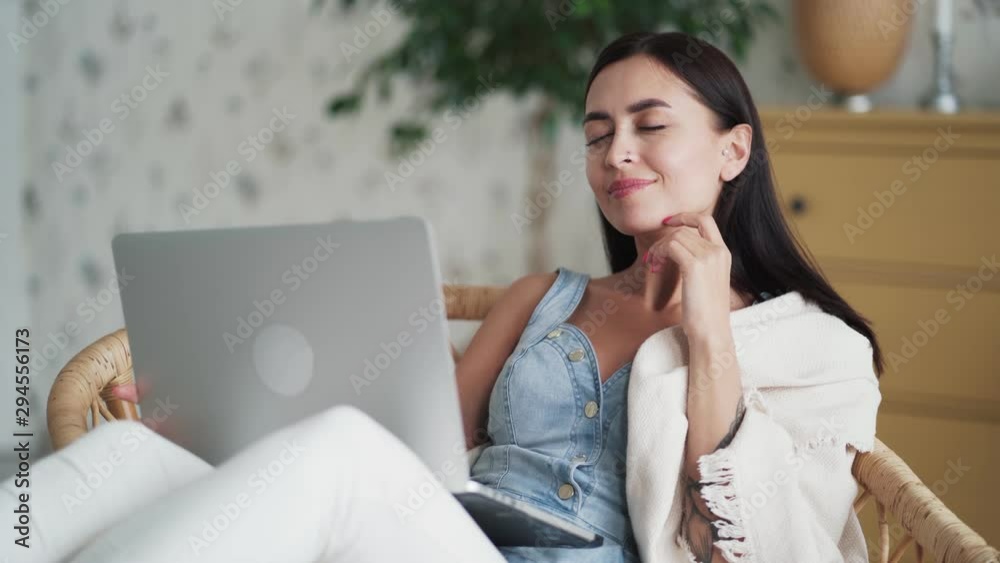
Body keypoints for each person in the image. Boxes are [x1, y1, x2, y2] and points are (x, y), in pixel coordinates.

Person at [6, 31, 883, 563]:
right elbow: (412, 451)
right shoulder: (542, 297)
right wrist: (210, 432)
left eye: (651, 126)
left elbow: (743, 545)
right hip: (442, 541)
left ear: (734, 150)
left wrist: (706, 326)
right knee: (131, 459)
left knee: (343, 452)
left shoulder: (812, 346)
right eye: (597, 133)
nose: (617, 153)